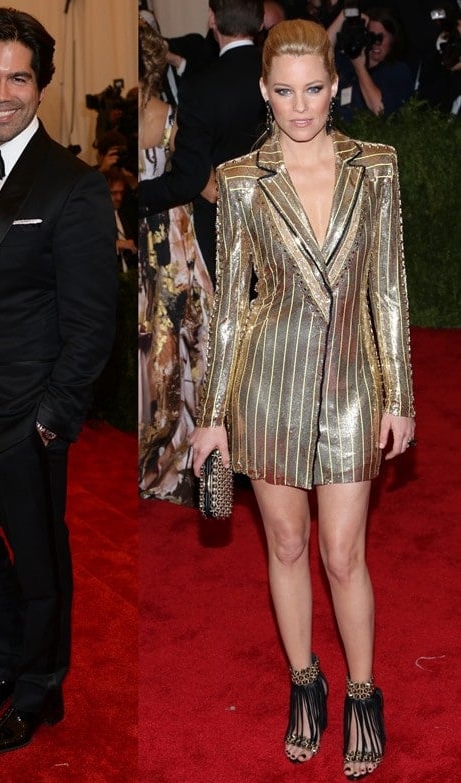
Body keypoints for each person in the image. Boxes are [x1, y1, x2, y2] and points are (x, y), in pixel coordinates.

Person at [190, 19, 414, 780]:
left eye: (313, 89)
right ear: (263, 90)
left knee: (343, 552)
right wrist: (213, 414)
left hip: (352, 382)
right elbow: (228, 309)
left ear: (334, 84)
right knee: (285, 545)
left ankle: (362, 690)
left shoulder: (374, 167)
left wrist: (400, 395)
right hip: (268, 384)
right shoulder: (242, 179)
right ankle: (304, 680)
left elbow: (387, 288)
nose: (299, 106)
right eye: (283, 92)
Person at [0, 7, 117, 756]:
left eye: (19, 77)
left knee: (41, 561)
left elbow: (92, 319)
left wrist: (55, 414)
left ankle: (42, 690)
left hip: (27, 411)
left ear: (42, 86)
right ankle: (9, 660)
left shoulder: (72, 187)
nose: (2, 93)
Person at [138, 16, 213, 507]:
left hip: (172, 253)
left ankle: (184, 459)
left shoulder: (173, 118)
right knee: (157, 362)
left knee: (172, 359)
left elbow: (205, 186)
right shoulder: (167, 115)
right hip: (148, 254)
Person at [138, 0, 266, 281]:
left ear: (212, 20)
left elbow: (189, 178)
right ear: (260, 23)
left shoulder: (199, 88)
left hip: (221, 226)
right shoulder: (278, 74)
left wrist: (139, 195)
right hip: (278, 217)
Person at [328, 5, 414, 121]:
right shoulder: (349, 62)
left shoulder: (397, 71)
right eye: (371, 37)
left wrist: (360, 68)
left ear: (393, 39)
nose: (375, 43)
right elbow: (318, 54)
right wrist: (344, 15)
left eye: (380, 38)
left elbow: (380, 110)